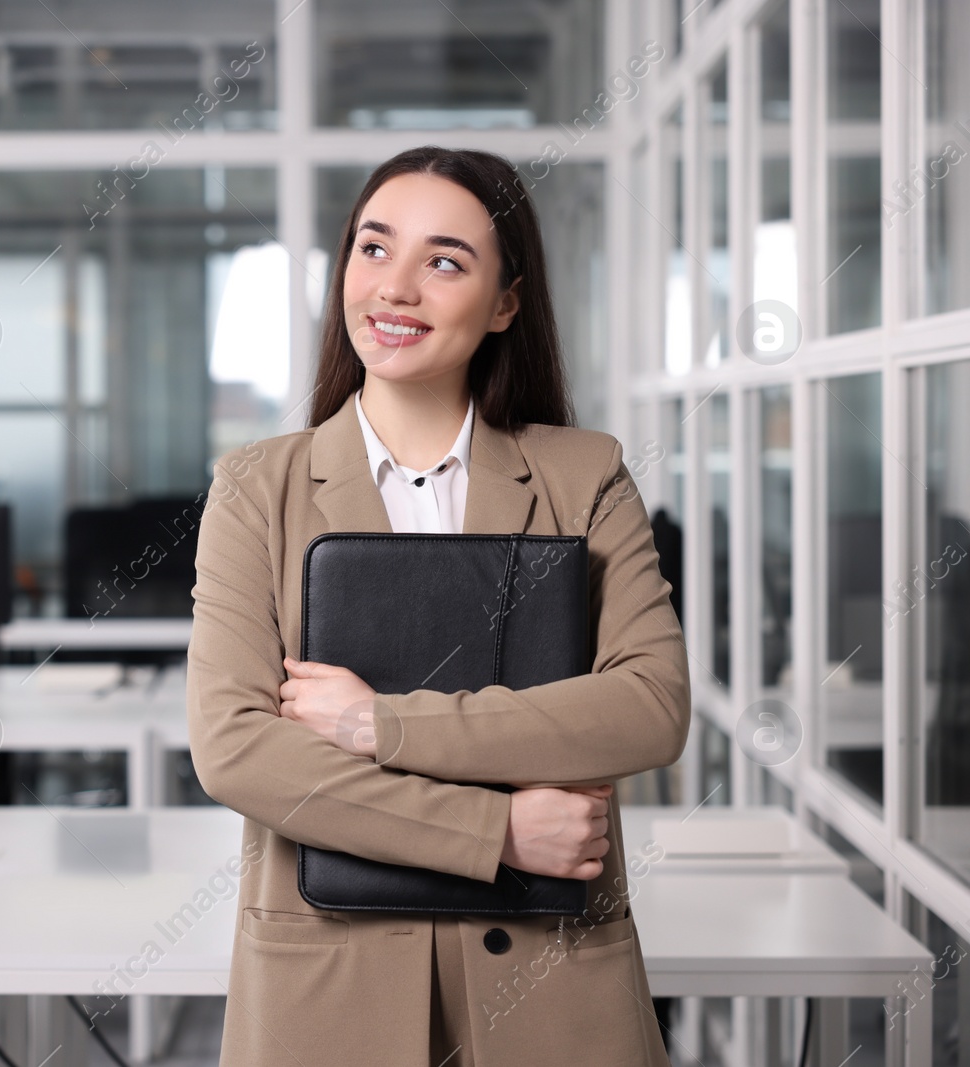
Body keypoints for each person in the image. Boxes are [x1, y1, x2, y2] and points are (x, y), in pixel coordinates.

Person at [186, 145, 689, 1067]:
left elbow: (649, 707)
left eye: (444, 261)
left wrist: (380, 724)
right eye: (374, 249)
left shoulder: (583, 475)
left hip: (551, 995)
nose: (396, 288)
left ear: (506, 303)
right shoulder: (258, 488)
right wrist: (497, 831)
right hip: (329, 997)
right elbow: (237, 750)